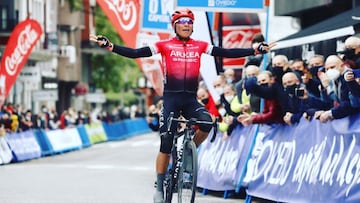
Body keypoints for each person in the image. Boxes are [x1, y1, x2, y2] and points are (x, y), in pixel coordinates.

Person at [90, 8, 274, 203]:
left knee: (207, 124)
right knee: (166, 143)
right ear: (175, 25)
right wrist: (111, 46)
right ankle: (160, 186)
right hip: (170, 99)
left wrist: (255, 50)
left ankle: (189, 151)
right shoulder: (164, 45)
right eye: (182, 21)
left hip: (190, 100)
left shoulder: (200, 45)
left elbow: (226, 51)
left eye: (189, 22)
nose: (186, 24)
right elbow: (136, 53)